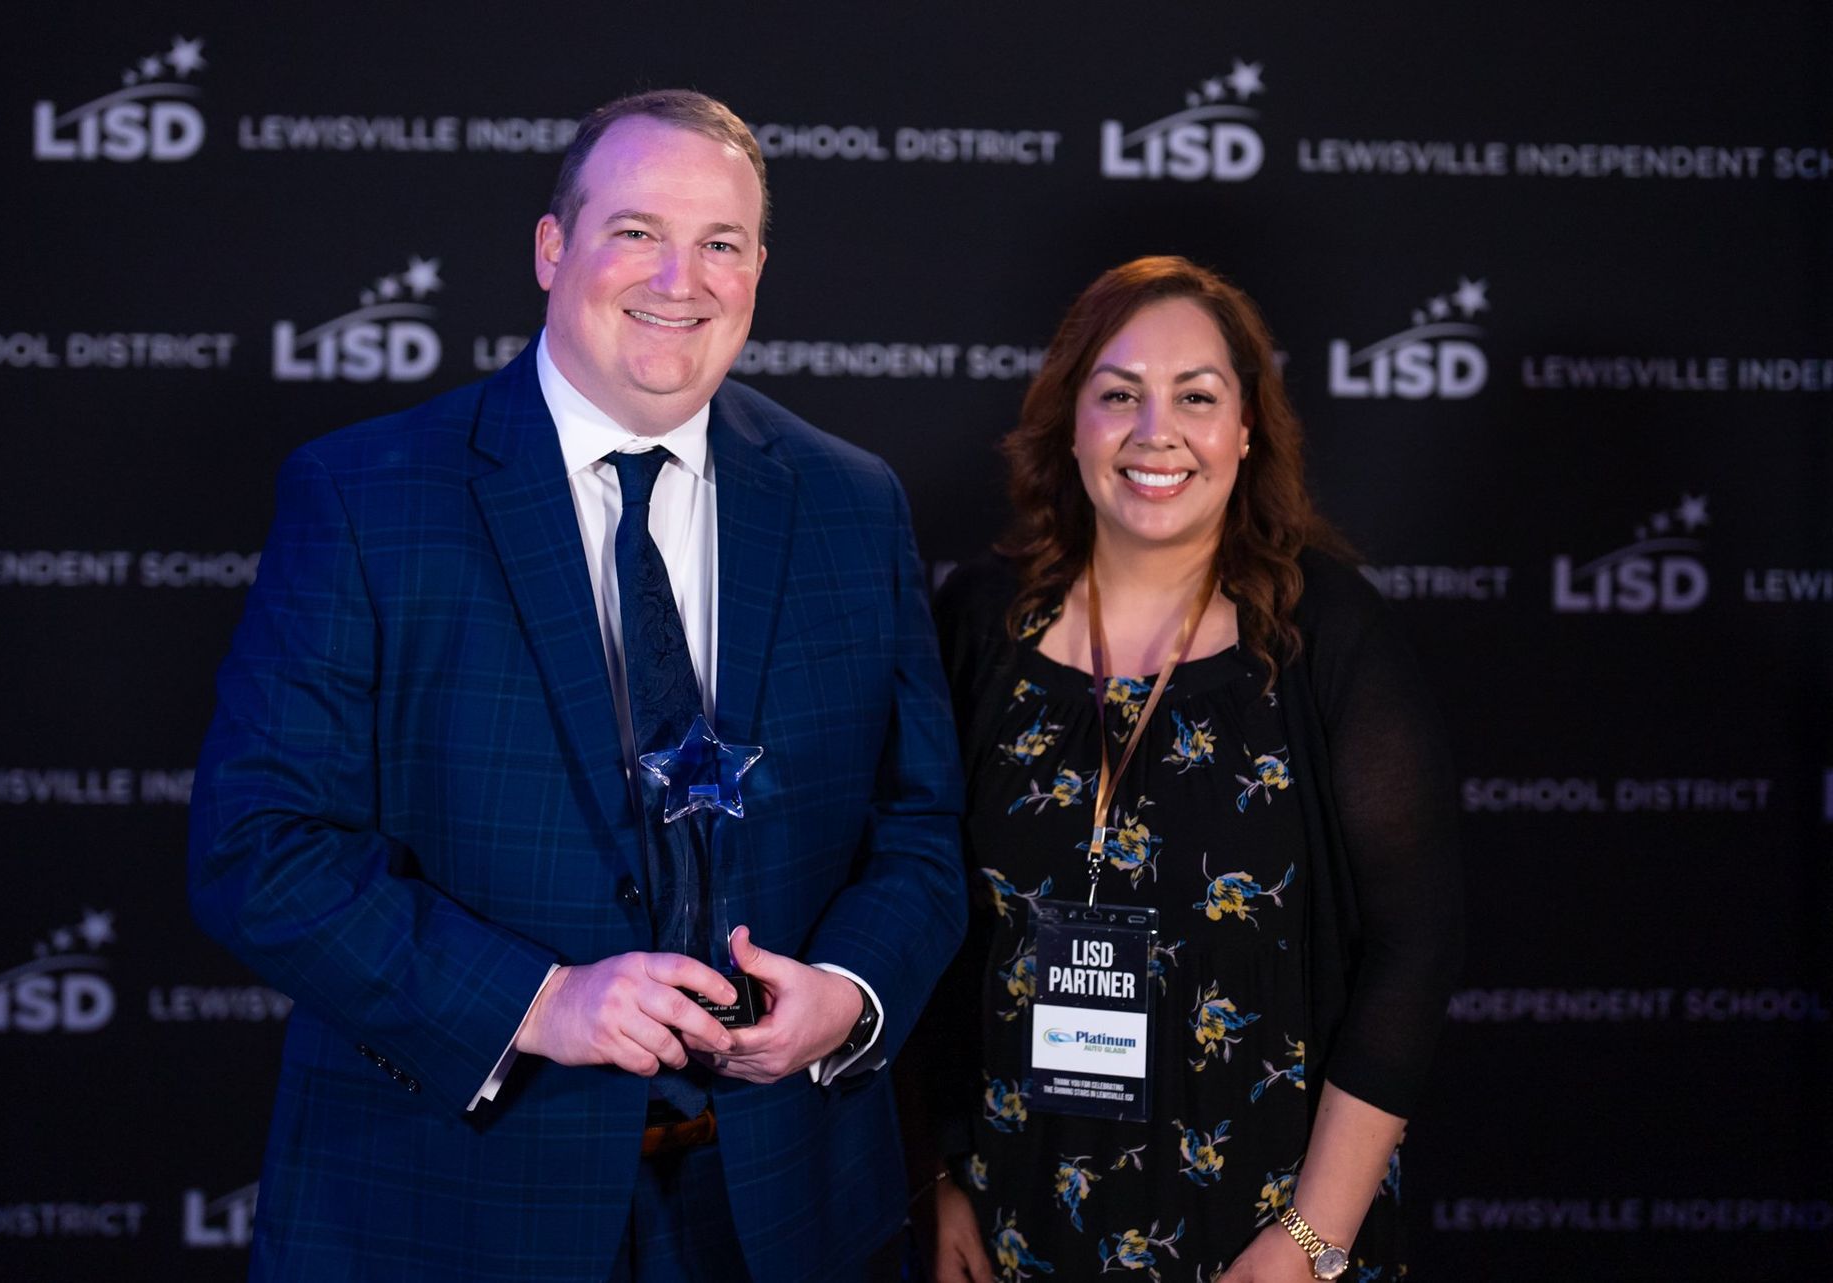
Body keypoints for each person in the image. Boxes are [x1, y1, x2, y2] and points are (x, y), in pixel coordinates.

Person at [188, 89, 964, 1283]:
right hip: (453, 1206)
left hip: (783, 1211)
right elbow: (257, 846)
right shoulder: (368, 496)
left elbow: (917, 829)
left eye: (720, 243)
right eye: (637, 231)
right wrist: (540, 1002)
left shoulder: (853, 502)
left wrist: (849, 996)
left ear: (759, 267)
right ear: (554, 248)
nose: (681, 277)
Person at [918, 257, 1462, 1281]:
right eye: (1117, 394)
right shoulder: (980, 624)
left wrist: (1313, 1238)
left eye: (1196, 397)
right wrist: (935, 1176)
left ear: (1246, 428)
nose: (1153, 431)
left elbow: (1416, 946)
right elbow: (917, 907)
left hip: (1259, 1233)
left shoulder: (1326, 635)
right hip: (1013, 1219)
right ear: (1069, 419)